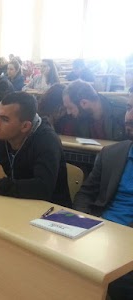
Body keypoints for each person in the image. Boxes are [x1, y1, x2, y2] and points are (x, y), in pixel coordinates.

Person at [0, 92, 71, 207]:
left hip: (50, 213)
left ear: (25, 126)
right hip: (15, 203)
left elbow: (42, 188)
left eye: (4, 119)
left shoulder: (47, 140)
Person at [73, 92, 133, 300]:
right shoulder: (111, 154)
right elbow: (86, 194)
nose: (129, 116)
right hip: (101, 235)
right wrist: (81, 223)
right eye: (128, 107)